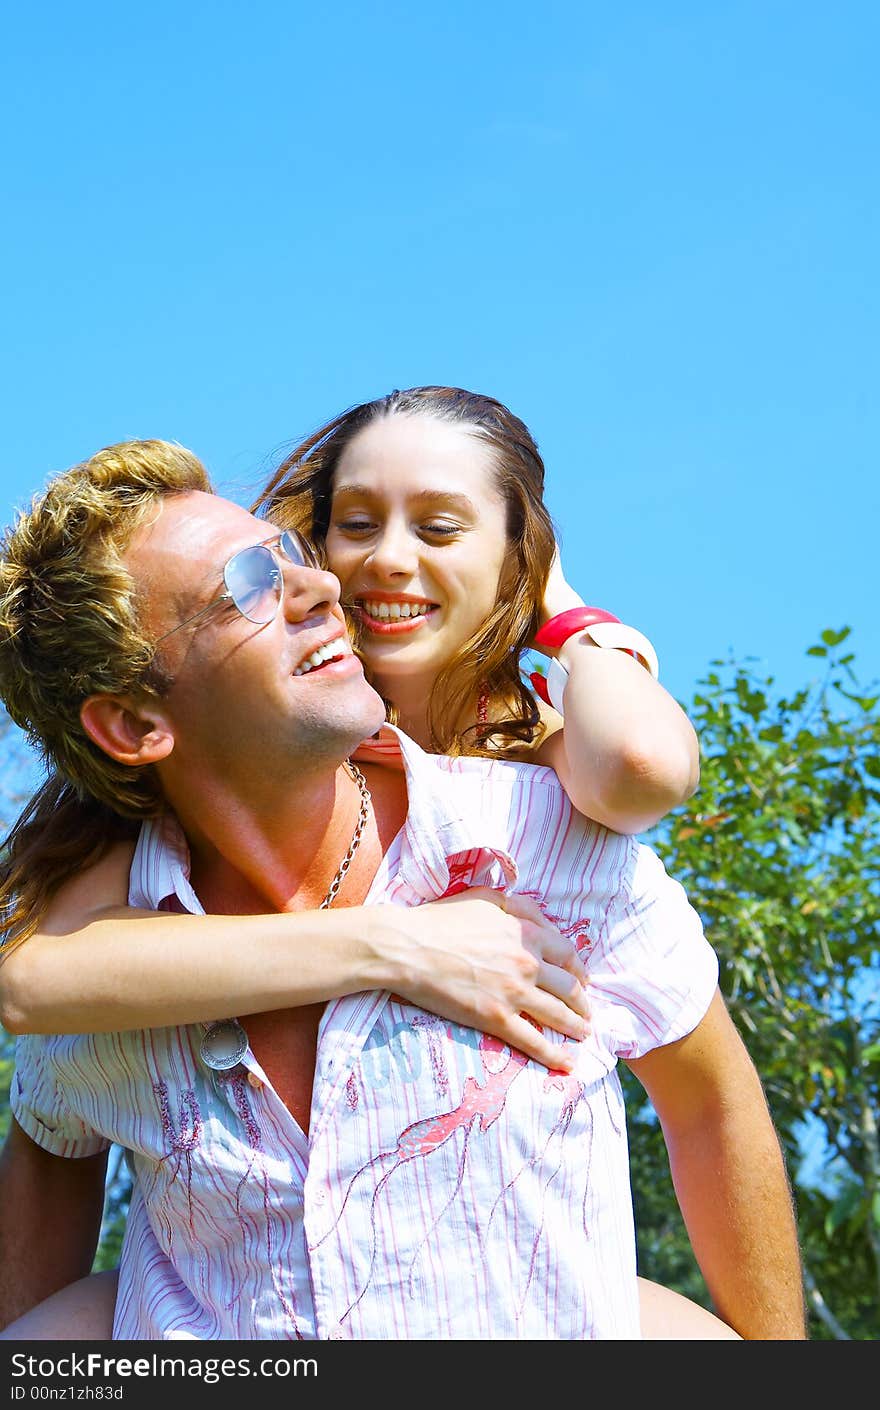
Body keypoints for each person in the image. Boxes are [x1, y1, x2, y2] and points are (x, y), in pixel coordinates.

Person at [0, 437, 805, 1339]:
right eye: (245, 586)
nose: (320, 589)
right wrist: (399, 945)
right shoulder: (107, 966)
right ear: (136, 724)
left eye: (291, 557)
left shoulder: (547, 843)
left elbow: (713, 1104)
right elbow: (47, 1145)